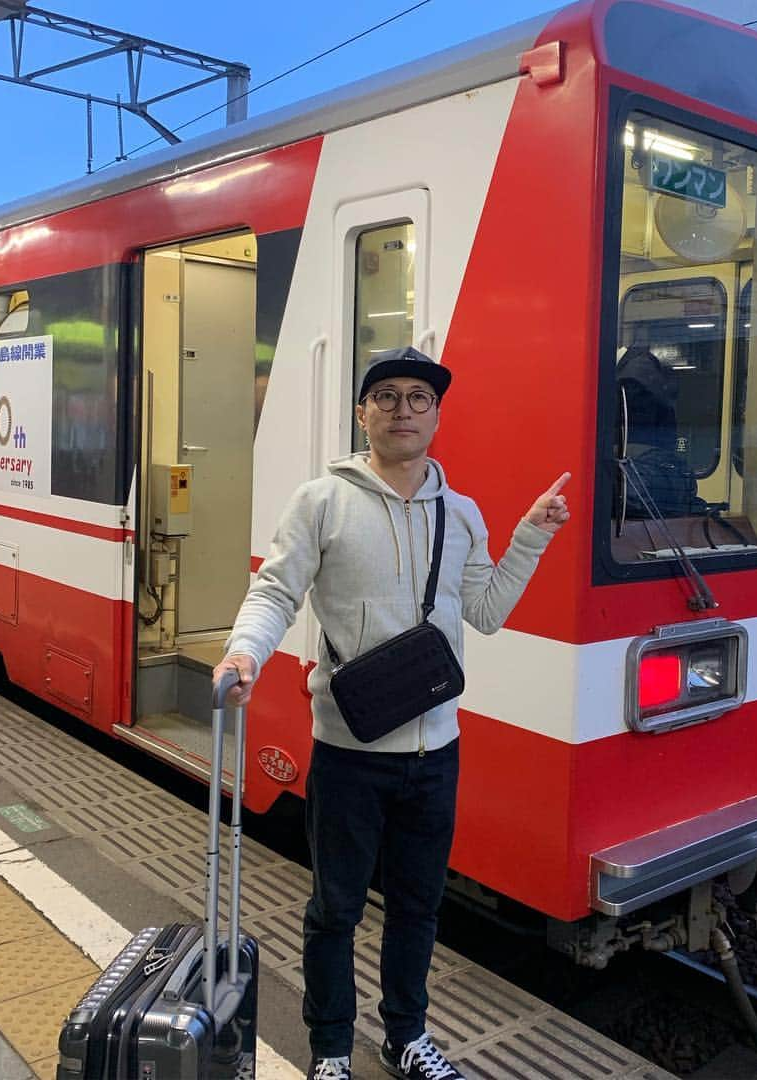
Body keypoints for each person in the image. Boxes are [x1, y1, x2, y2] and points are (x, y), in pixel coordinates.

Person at [213, 346, 570, 1080]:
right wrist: (244, 653)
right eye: (386, 397)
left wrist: (531, 536)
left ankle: (406, 1037)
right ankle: (332, 1050)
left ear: (436, 415)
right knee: (334, 911)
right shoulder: (321, 501)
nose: (402, 410)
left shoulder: (461, 512)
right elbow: (276, 592)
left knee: (417, 908)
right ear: (361, 412)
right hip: (348, 752)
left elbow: (487, 610)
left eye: (417, 397)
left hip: (435, 752)